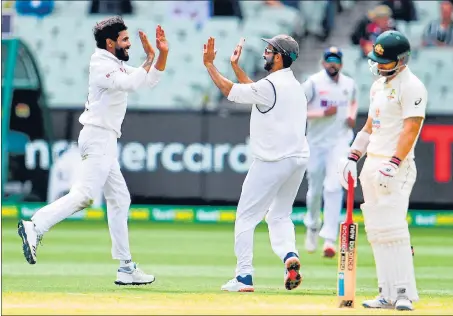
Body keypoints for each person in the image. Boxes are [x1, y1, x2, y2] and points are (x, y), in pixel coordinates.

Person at [17, 16, 169, 286]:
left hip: (106, 140)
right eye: (124, 40)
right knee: (85, 196)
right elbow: (133, 83)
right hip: (97, 137)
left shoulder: (115, 63)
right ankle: (36, 225)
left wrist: (162, 54)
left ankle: (125, 268)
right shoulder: (100, 63)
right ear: (110, 43)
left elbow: (149, 81)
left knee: (120, 200)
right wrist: (149, 57)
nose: (128, 43)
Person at [204, 35, 310, 292]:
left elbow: (231, 92)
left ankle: (243, 277)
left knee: (245, 218)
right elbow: (257, 95)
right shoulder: (293, 84)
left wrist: (209, 64)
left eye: (269, 50)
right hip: (297, 159)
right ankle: (289, 256)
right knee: (279, 215)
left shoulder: (270, 86)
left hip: (272, 161)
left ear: (280, 56)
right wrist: (237, 68)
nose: (265, 53)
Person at [338, 30, 427, 311]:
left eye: (385, 61)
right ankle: (386, 293)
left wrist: (394, 162)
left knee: (394, 229)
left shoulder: (412, 86)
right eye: (377, 60)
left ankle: (404, 293)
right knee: (377, 232)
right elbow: (369, 126)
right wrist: (352, 156)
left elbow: (411, 128)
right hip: (372, 165)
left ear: (401, 60)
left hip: (396, 168)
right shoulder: (378, 86)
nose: (379, 65)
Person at [302, 46, 358, 258]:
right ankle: (312, 226)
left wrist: (351, 116)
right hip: (316, 143)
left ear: (341, 64)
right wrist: (322, 113)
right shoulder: (313, 83)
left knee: (334, 186)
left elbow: (353, 103)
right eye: (329, 60)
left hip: (340, 141)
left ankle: (329, 238)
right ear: (323, 63)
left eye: (336, 60)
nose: (332, 64)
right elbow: (298, 109)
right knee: (315, 189)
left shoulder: (349, 84)